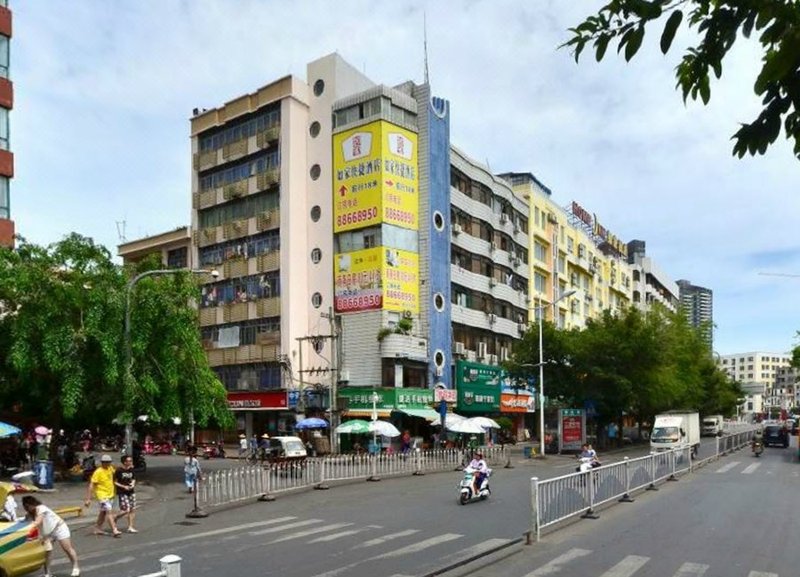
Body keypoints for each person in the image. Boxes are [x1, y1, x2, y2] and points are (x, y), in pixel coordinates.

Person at [22, 495, 81, 577]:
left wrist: (31, 525)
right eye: (25, 507)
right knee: (47, 552)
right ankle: (48, 573)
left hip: (59, 528)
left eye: (27, 506)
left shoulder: (41, 508)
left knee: (67, 548)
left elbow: (38, 521)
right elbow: (24, 521)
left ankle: (76, 567)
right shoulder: (30, 514)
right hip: (48, 534)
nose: (26, 508)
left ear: (32, 504)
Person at [84, 454, 121, 537]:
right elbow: (91, 485)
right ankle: (115, 530)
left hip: (110, 494)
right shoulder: (98, 472)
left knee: (103, 512)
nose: (107, 464)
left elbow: (116, 475)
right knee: (109, 511)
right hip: (102, 495)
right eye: (105, 462)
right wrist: (88, 499)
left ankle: (97, 528)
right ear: (102, 462)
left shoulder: (110, 469)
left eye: (109, 462)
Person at [113, 455, 137, 533]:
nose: (130, 462)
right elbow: (114, 482)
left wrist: (133, 484)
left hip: (131, 491)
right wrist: (123, 486)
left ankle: (130, 527)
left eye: (131, 461)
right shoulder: (119, 470)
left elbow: (134, 478)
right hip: (122, 492)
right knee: (126, 510)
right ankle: (115, 518)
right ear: (124, 462)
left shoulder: (131, 469)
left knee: (132, 509)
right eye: (128, 461)